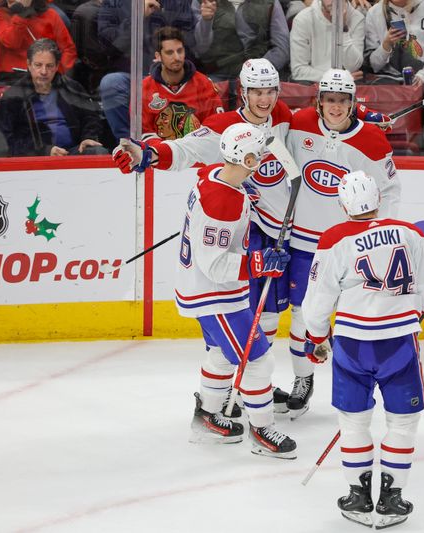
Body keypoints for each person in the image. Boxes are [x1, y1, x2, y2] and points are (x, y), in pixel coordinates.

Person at [113, 58, 295, 413]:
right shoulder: (225, 127)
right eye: (256, 91)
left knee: (268, 317)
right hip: (245, 234)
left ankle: (252, 384)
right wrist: (148, 154)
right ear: (243, 92)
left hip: (278, 233)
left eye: (270, 90)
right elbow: (185, 149)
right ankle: (230, 390)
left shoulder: (283, 116)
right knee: (239, 315)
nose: (264, 99)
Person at [301, 170, 424, 529]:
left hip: (352, 344)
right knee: (403, 423)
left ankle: (357, 496)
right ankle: (392, 499)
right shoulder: (410, 233)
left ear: (343, 205)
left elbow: (318, 302)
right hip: (399, 343)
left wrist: (316, 338)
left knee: (353, 421)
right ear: (379, 200)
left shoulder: (334, 238)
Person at [284, 68, 401, 418]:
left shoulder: (373, 140)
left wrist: (379, 235)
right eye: (329, 100)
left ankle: (352, 382)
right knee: (303, 313)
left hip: (350, 247)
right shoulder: (299, 123)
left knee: (354, 317)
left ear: (353, 102)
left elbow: (390, 190)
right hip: (305, 241)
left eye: (344, 101)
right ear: (319, 102)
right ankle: (303, 379)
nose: (336, 107)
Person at [179, 122, 297, 459]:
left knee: (219, 354)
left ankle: (207, 420)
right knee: (257, 360)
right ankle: (261, 431)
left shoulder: (214, 175)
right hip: (216, 294)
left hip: (201, 290)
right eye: (256, 154)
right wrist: (259, 264)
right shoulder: (223, 202)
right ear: (244, 157)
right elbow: (215, 265)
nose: (261, 158)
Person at [98, 0, 195, 140]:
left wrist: (169, 58)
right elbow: (110, 46)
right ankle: (130, 145)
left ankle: (179, 145)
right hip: (132, 75)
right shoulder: (114, 3)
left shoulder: (177, 2)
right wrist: (137, 16)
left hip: (170, 74)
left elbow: (191, 42)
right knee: (111, 83)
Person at [0, 38, 107, 156]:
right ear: (29, 64)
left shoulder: (71, 87)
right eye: (38, 65)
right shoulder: (13, 97)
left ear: (57, 66)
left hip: (73, 152)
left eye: (49, 66)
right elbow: (7, 140)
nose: (43, 71)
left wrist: (88, 138)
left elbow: (91, 118)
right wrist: (45, 151)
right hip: (36, 158)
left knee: (99, 152)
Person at [140, 27, 224, 141]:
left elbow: (215, 128)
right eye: (170, 52)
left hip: (196, 152)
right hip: (160, 154)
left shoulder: (203, 84)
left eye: (180, 51)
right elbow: (145, 134)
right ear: (158, 56)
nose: (177, 57)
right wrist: (168, 152)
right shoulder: (144, 88)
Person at [191, 0, 290, 81]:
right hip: (218, 75)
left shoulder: (270, 3)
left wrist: (257, 70)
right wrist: (206, 21)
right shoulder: (202, 2)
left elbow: (282, 48)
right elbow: (200, 50)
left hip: (261, 75)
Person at [364, 0, 424, 86]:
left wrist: (423, 76)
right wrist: (386, 45)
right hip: (387, 85)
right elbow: (372, 66)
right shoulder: (374, 13)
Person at [0, 0, 77, 81]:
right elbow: (11, 42)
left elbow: (67, 49)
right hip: (15, 76)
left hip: (47, 76)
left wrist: (58, 73)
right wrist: (21, 16)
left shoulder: (50, 15)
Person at [289, 0, 365, 82]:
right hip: (313, 85)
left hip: (348, 87)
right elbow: (298, 70)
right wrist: (337, 79)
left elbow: (353, 66)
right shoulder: (303, 19)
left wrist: (342, 28)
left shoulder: (357, 18)